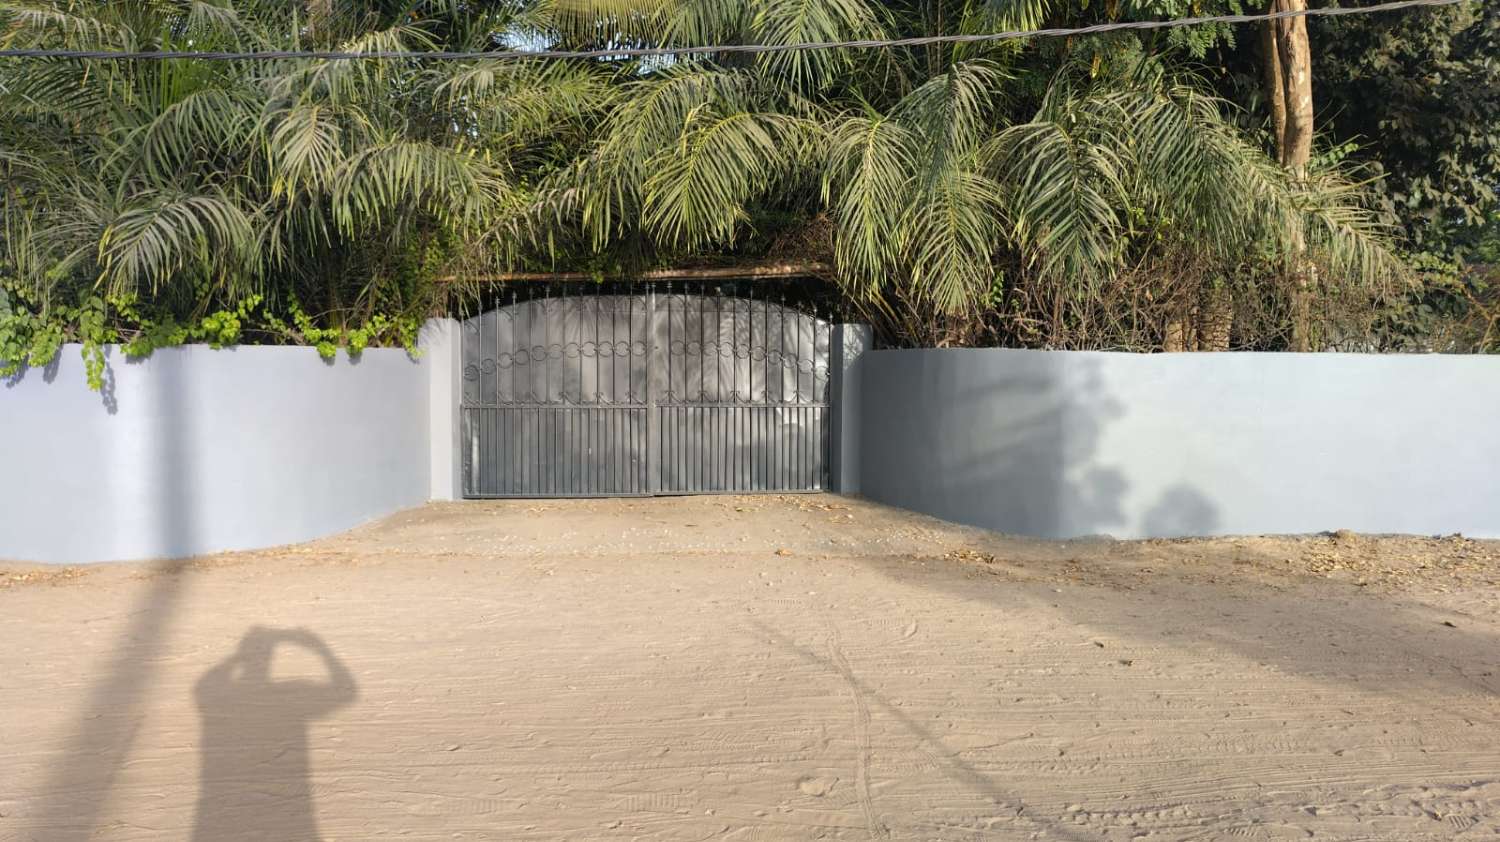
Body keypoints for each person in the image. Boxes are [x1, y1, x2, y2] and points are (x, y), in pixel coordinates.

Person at [192, 627, 356, 842]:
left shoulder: (218, 697)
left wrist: (236, 659)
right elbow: (345, 692)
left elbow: (205, 685)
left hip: (224, 799)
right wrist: (322, 651)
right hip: (288, 802)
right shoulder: (294, 694)